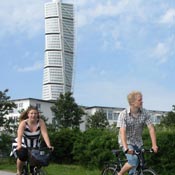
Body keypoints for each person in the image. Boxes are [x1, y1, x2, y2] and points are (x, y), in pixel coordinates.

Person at [117, 91, 158, 175]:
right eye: (140, 100)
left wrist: (154, 145)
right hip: (127, 142)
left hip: (138, 142)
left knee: (140, 164)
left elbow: (151, 128)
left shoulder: (145, 113)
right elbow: (122, 131)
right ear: (132, 102)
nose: (142, 101)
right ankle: (119, 174)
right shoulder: (123, 114)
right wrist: (126, 148)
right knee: (133, 161)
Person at [11, 106, 53, 175]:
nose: (33, 115)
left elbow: (44, 134)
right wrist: (19, 146)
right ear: (28, 114)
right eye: (31, 113)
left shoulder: (40, 122)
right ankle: (19, 171)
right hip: (22, 143)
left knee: (36, 159)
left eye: (35, 113)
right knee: (22, 157)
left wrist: (49, 145)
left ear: (38, 114)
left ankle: (33, 171)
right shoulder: (23, 123)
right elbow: (20, 135)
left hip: (35, 144)